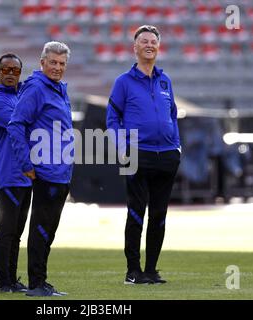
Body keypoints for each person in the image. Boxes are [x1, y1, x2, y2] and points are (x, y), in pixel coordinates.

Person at [106, 25, 181, 285]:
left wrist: (177, 145)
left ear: (158, 47)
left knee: (159, 214)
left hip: (167, 155)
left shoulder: (165, 80)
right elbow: (112, 118)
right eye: (144, 41)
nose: (149, 45)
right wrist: (121, 147)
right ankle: (132, 271)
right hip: (136, 153)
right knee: (136, 212)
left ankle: (151, 270)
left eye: (153, 41)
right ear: (135, 47)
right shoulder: (123, 82)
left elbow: (172, 114)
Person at [8, 41, 73, 297]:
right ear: (42, 62)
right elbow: (16, 125)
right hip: (45, 170)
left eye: (62, 64)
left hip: (60, 170)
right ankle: (36, 284)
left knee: (49, 229)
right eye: (53, 63)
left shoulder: (58, 89)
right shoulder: (36, 88)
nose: (57, 68)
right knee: (42, 228)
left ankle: (41, 281)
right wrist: (26, 164)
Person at [0, 53, 31, 293]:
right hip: (8, 171)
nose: (11, 74)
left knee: (17, 231)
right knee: (7, 228)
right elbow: (22, 126)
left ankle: (12, 279)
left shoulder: (20, 95)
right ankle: (3, 281)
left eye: (16, 70)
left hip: (26, 173)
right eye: (7, 70)